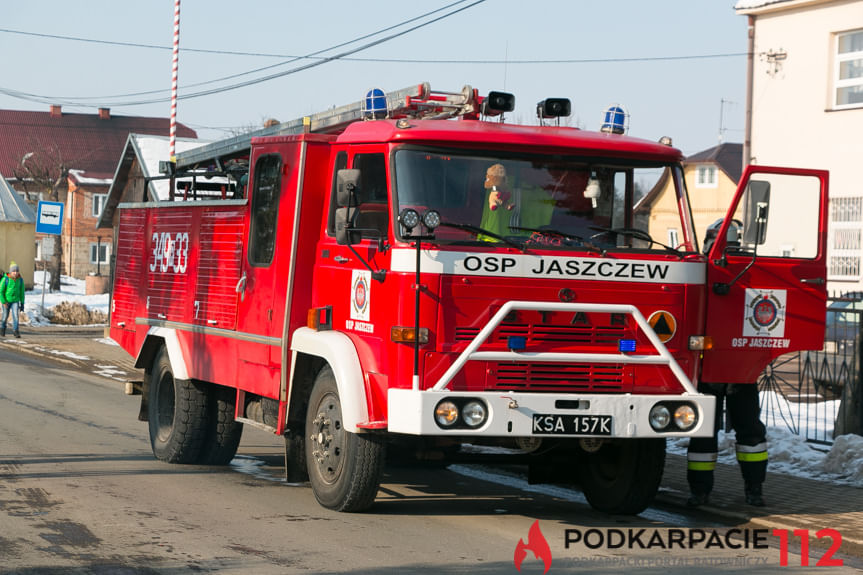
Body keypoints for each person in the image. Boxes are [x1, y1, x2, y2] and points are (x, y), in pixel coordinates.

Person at [686, 382, 768, 507]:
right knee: (703, 431)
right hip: (711, 375)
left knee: (751, 433)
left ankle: (755, 488)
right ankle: (699, 490)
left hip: (741, 374)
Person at [0, 262, 25, 338]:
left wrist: (22, 303)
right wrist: (3, 301)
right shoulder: (5, 279)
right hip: (6, 301)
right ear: (10, 272)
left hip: (15, 301)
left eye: (17, 271)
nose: (15, 273)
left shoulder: (20, 280)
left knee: (15, 316)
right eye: (13, 271)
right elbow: (1, 291)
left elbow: (22, 292)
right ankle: (2, 329)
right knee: (5, 316)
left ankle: (15, 331)